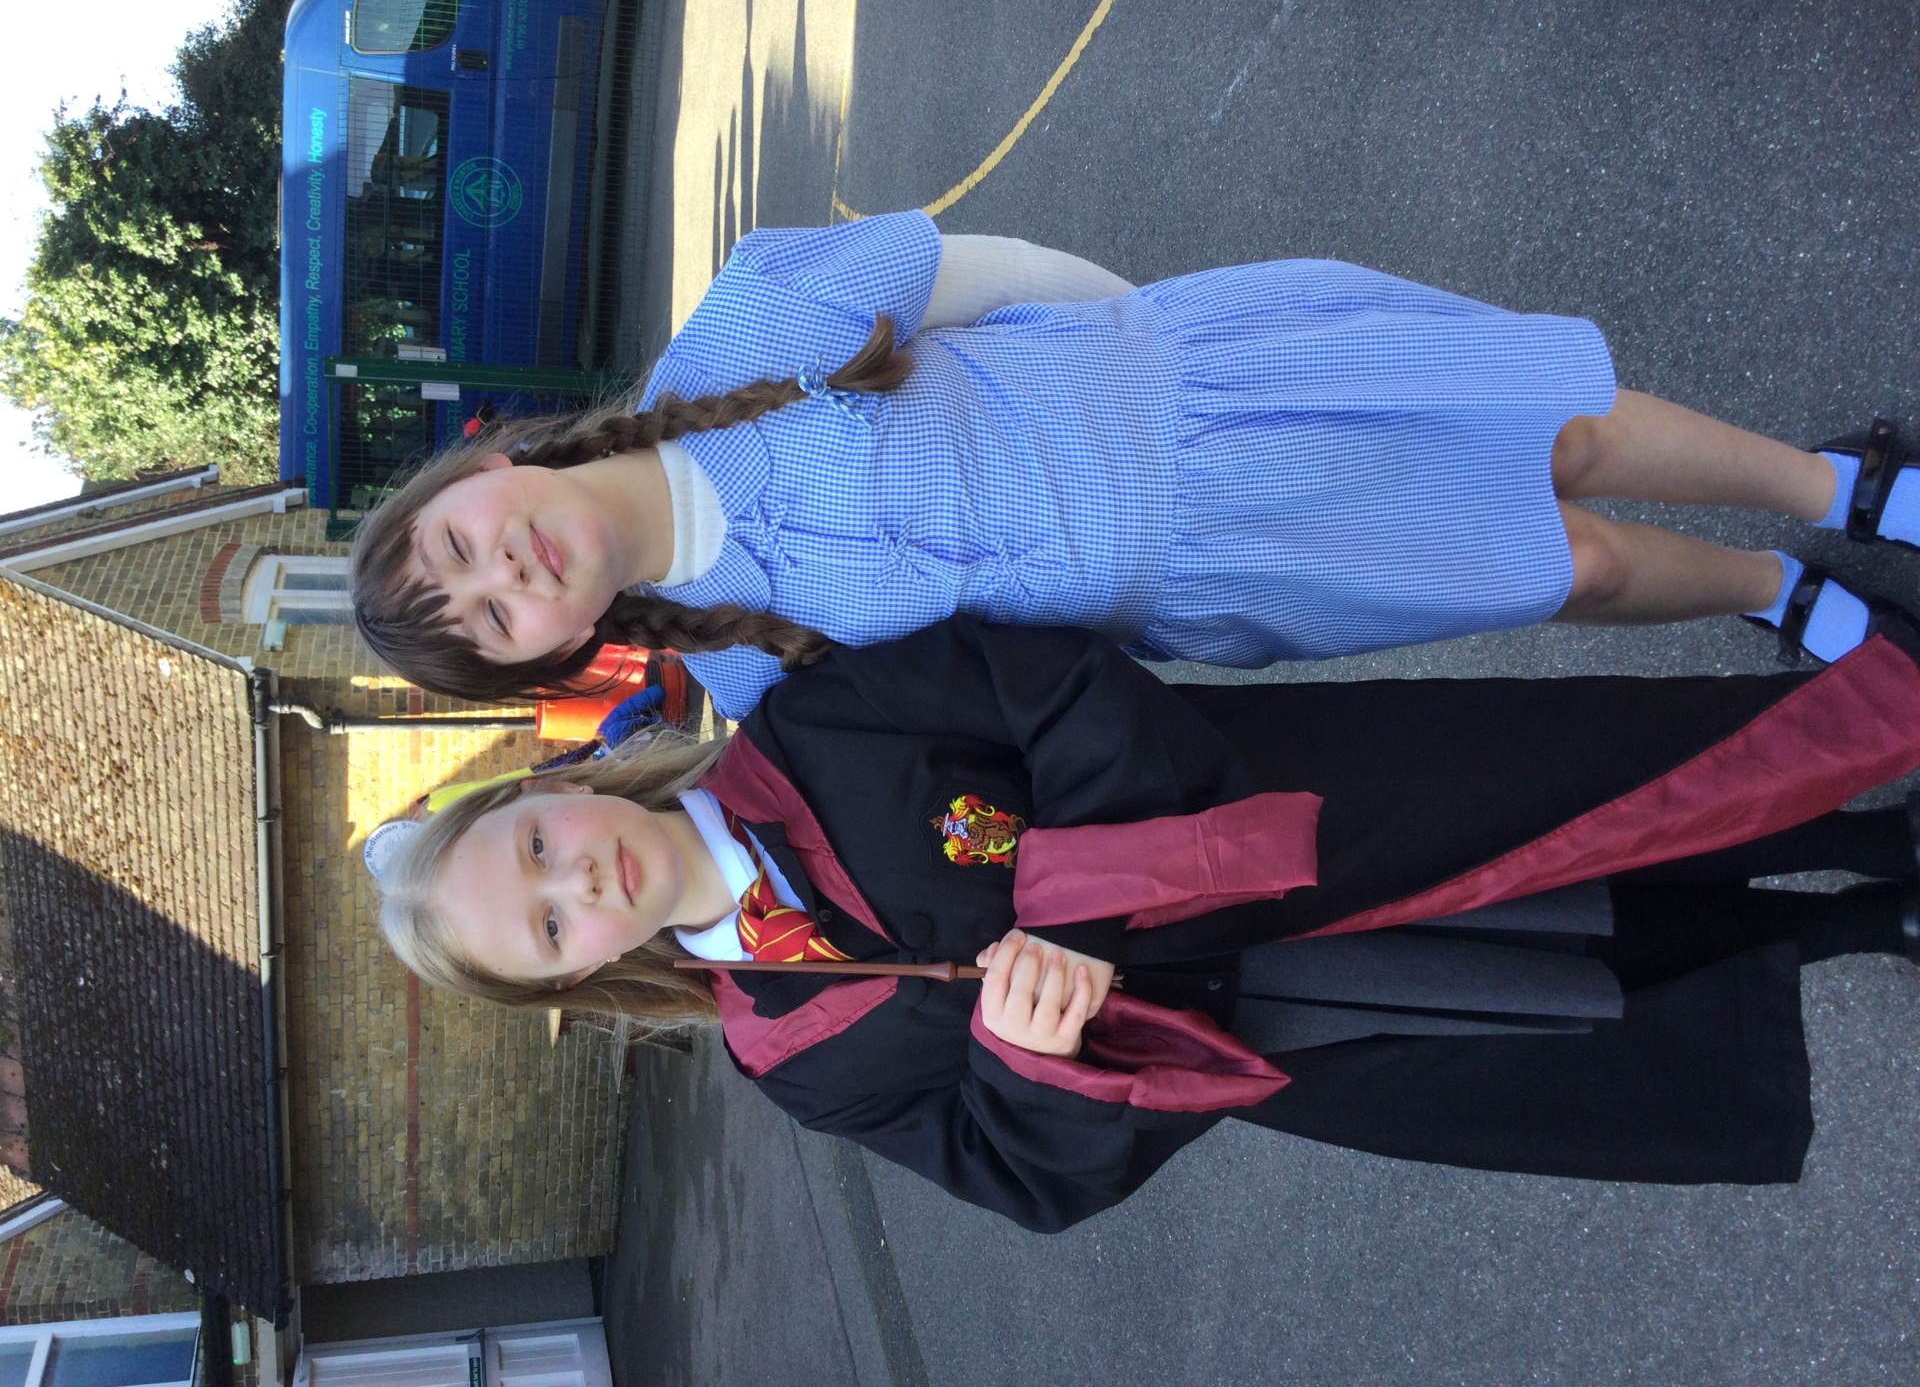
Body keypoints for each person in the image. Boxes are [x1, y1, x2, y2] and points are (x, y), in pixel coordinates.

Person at [373, 617, 1920, 1232]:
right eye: (548, 929)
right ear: (584, 975)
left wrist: (1078, 884)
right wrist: (1030, 1061)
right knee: (1591, 995)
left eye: (538, 848)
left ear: (554, 788)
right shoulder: (796, 1059)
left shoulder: (818, 732)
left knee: (1606, 800)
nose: (580, 885)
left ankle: (1866, 809)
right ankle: (1865, 920)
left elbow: (1041, 681)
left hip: (1309, 826)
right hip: (1304, 1023)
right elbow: (1011, 1172)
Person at [349, 213, 1920, 719]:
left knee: (1555, 428)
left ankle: (1828, 487)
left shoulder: (743, 321)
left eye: (460, 546)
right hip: (1218, 574)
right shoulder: (760, 679)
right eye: (487, 620)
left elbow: (979, 269)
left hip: (1199, 387)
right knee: (1566, 561)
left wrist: (1160, 343)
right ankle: (1771, 588)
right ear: (548, 653)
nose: (505, 574)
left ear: (476, 471)